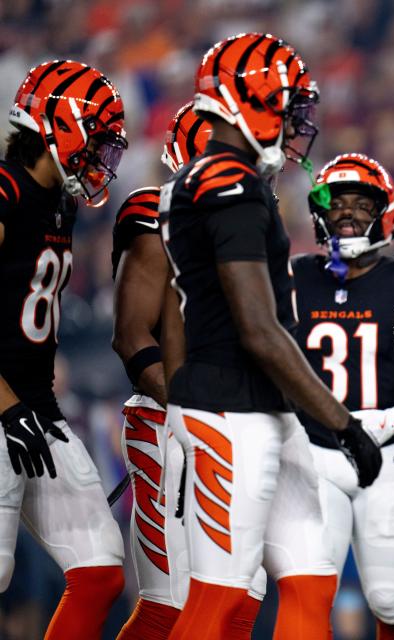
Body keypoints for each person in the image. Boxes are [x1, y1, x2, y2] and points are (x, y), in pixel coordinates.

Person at [159, 33, 382, 640]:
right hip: (228, 409)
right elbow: (259, 329)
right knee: (220, 595)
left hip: (259, 408)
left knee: (310, 577)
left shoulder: (215, 179)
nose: (294, 125)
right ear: (250, 100)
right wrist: (342, 421)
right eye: (287, 109)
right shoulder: (229, 186)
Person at [112, 103, 268, 638]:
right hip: (169, 422)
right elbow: (132, 335)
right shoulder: (154, 214)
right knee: (170, 606)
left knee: (240, 600)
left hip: (232, 425)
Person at [291, 152, 394, 638]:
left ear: (383, 211)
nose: (347, 213)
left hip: (387, 455)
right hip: (313, 453)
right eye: (336, 203)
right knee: (308, 591)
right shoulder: (293, 276)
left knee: (390, 600)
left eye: (362, 204)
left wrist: (385, 421)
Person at [0, 59, 127, 638]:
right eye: (96, 140)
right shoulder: (5, 189)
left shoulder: (61, 202)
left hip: (36, 412)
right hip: (6, 408)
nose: (102, 158)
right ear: (60, 127)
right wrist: (6, 404)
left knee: (100, 570)